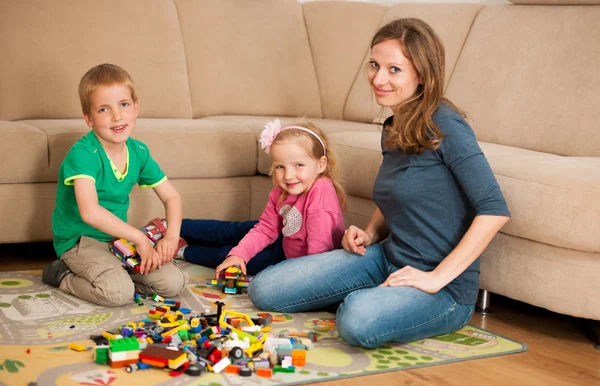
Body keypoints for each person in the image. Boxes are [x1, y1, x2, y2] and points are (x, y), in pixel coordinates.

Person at [247, 18, 511, 349]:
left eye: (394, 69)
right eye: (374, 65)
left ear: (423, 75)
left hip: (444, 290)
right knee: (265, 288)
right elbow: (399, 193)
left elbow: (494, 209)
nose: (379, 79)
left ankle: (372, 300)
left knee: (357, 320)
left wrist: (436, 278)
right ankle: (372, 295)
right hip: (386, 258)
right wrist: (371, 232)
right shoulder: (394, 125)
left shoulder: (448, 127)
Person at [42, 64, 189, 306]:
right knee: (116, 294)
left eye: (124, 104)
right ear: (88, 118)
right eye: (103, 109)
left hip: (116, 238)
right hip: (79, 241)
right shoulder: (83, 154)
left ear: (136, 107)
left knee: (174, 282)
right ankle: (62, 275)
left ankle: (122, 277)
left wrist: (172, 237)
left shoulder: (139, 152)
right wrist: (140, 239)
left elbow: (172, 197)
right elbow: (89, 212)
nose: (117, 116)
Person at [169, 119, 346, 278]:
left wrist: (237, 257)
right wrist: (240, 253)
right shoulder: (282, 189)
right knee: (233, 232)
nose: (288, 176)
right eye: (280, 167)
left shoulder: (321, 190)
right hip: (284, 240)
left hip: (298, 261)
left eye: (299, 165)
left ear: (321, 164)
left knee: (229, 257)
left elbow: (318, 254)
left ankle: (182, 250)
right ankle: (171, 225)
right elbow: (266, 229)